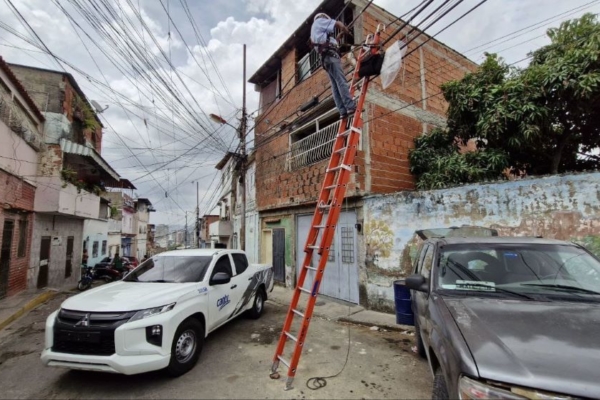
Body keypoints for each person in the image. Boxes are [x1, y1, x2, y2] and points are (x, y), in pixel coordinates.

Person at [311, 13, 355, 119]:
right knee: (341, 81)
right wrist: (345, 29)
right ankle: (350, 106)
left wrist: (339, 36)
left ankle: (342, 111)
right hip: (331, 57)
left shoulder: (317, 33)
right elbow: (338, 24)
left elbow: (332, 42)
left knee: (335, 86)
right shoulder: (319, 21)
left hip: (326, 59)